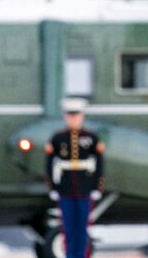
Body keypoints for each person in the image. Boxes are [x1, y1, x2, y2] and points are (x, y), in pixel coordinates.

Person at [45, 97, 104, 258]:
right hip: (65, 188)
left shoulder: (91, 137)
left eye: (76, 115)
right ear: (65, 117)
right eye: (70, 115)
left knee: (82, 228)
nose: (73, 119)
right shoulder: (58, 138)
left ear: (82, 116)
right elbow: (49, 164)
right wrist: (53, 187)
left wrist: (97, 187)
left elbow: (99, 164)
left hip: (85, 188)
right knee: (68, 227)